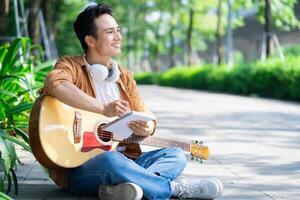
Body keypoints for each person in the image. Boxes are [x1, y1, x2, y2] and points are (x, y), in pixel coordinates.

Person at [40, 3, 223, 200]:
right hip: (80, 167)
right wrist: (102, 108)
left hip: (127, 161)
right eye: (110, 32)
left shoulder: (124, 76)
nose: (118, 36)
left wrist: (147, 127)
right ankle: (174, 189)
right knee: (111, 160)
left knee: (176, 155)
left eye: (118, 30)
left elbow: (146, 114)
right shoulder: (71, 66)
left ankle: (121, 189)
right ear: (90, 40)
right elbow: (55, 84)